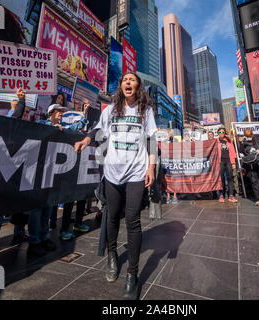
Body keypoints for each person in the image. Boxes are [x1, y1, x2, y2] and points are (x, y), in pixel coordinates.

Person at [74, 72, 157, 300]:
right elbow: (97, 131)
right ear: (120, 86)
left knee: (133, 220)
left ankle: (132, 274)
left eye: (132, 79)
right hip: (112, 172)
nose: (128, 82)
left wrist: (151, 168)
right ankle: (112, 255)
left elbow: (152, 139)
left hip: (136, 172)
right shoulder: (110, 110)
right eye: (124, 80)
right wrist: (85, 140)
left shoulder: (145, 110)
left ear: (137, 85)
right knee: (111, 217)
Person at [0, 88, 29, 252]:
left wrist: (21, 102)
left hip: (16, 171)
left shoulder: (18, 125)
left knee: (19, 205)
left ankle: (19, 232)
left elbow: (16, 117)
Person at [39, 103, 90, 241]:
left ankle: (45, 234)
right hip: (44, 171)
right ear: (51, 113)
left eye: (62, 111)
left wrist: (84, 113)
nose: (61, 113)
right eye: (58, 111)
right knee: (42, 206)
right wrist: (50, 129)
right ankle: (39, 235)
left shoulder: (65, 128)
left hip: (59, 171)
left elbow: (78, 127)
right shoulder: (42, 124)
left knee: (52, 202)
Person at [217, 127, 238, 203]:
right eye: (220, 132)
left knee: (230, 178)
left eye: (223, 132)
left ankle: (231, 195)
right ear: (218, 133)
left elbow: (233, 152)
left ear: (224, 133)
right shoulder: (216, 141)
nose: (221, 133)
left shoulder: (229, 141)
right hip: (220, 162)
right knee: (221, 179)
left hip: (228, 161)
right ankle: (221, 195)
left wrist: (233, 163)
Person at [163, 128, 178, 204]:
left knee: (174, 179)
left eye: (167, 133)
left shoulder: (175, 140)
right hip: (166, 162)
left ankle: (175, 196)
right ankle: (168, 195)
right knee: (166, 179)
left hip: (174, 162)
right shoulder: (164, 141)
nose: (166, 134)